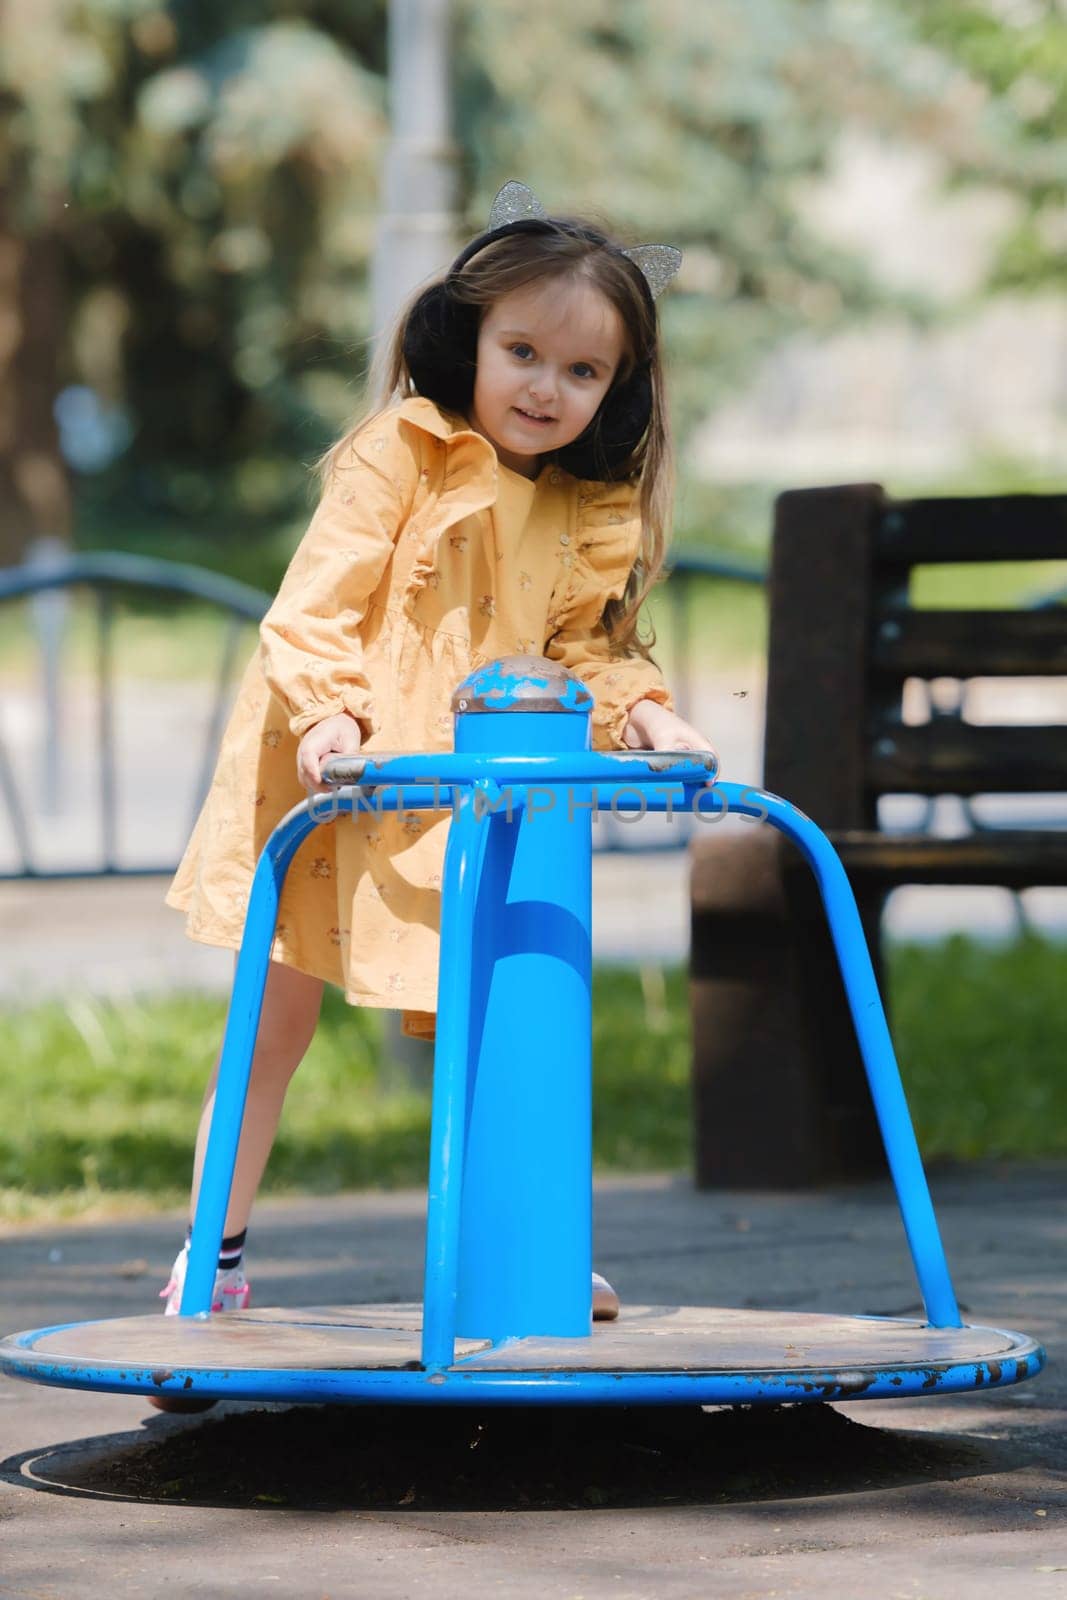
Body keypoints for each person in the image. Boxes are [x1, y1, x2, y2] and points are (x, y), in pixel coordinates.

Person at [160, 178, 717, 1335]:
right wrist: (324, 716)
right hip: (341, 766)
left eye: (581, 372)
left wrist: (645, 717)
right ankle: (211, 1246)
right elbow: (312, 607)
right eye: (521, 350)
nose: (544, 388)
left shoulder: (583, 507)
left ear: (616, 387)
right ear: (467, 337)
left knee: (497, 1008)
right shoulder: (398, 454)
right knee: (276, 1015)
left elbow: (582, 653)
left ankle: (519, 1253)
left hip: (466, 794)